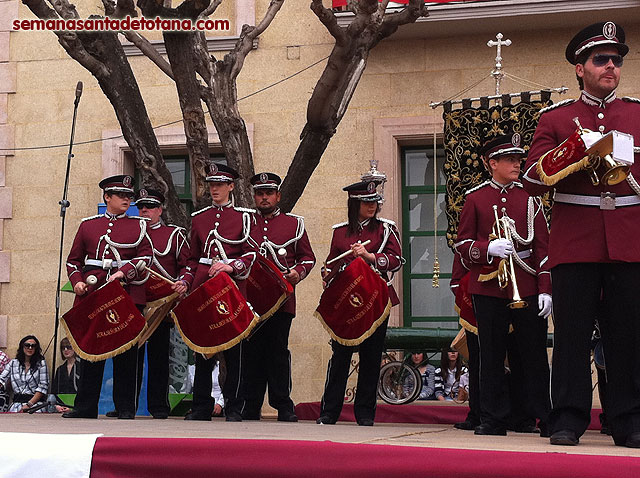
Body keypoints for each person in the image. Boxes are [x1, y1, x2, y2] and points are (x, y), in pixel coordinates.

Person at [523, 21, 640, 448]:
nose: (611, 66)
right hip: (575, 243)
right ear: (580, 68)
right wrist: (577, 147)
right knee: (571, 336)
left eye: (616, 60)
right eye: (600, 59)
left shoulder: (637, 113)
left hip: (629, 240)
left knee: (627, 336)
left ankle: (627, 419)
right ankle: (568, 418)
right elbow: (532, 179)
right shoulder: (555, 119)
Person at [455, 134, 552, 436]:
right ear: (492, 163)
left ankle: (540, 417)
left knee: (533, 355)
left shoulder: (530, 198)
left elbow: (543, 248)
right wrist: (487, 249)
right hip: (488, 286)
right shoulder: (475, 198)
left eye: (518, 159)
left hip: (526, 281)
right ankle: (493, 419)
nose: (517, 164)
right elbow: (462, 244)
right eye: (509, 160)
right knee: (491, 356)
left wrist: (546, 288)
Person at [62, 174, 153, 419]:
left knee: (126, 353)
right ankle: (85, 407)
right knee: (91, 350)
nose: (126, 200)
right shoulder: (88, 225)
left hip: (126, 294)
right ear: (107, 197)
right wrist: (78, 282)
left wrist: (123, 272)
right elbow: (73, 261)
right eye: (121, 196)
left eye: (129, 196)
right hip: (94, 295)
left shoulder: (139, 226)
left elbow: (145, 257)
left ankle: (125, 408)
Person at [317, 179, 404, 426]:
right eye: (366, 202)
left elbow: (396, 260)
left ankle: (365, 413)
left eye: (374, 201)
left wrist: (370, 256)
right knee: (340, 356)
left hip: (375, 300)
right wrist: (327, 274)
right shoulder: (340, 231)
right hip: (347, 302)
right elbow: (330, 263)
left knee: (371, 356)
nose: (371, 206)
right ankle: (329, 411)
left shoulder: (385, 229)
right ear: (354, 203)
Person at [181, 163, 256, 421]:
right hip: (204, 291)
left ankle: (235, 407)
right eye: (211, 185)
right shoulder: (199, 218)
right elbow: (192, 258)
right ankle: (202, 406)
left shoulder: (244, 218)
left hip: (231, 290)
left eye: (220, 185)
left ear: (231, 187)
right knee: (202, 351)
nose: (214, 189)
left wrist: (230, 266)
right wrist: (186, 282)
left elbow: (250, 255)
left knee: (235, 354)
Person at [243, 172, 316, 421]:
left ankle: (282, 404)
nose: (264, 198)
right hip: (250, 301)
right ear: (254, 196)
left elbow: (308, 257)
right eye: (260, 194)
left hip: (281, 301)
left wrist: (297, 272)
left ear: (278, 196)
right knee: (250, 353)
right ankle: (250, 405)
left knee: (277, 353)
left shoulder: (293, 224)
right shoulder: (244, 223)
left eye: (269, 193)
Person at [131, 188, 190, 419]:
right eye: (141, 206)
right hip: (135, 302)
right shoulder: (131, 232)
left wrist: (182, 283)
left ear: (160, 210)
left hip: (161, 305)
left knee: (159, 357)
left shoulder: (173, 234)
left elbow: (186, 265)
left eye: (150, 207)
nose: (144, 211)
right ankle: (127, 404)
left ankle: (158, 406)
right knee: (130, 357)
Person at [0, 335, 49, 412]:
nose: (30, 348)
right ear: (22, 347)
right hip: (16, 405)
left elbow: (43, 386)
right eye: (27, 345)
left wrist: (29, 404)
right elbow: (1, 379)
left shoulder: (41, 364)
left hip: (35, 405)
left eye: (33, 346)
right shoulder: (13, 363)